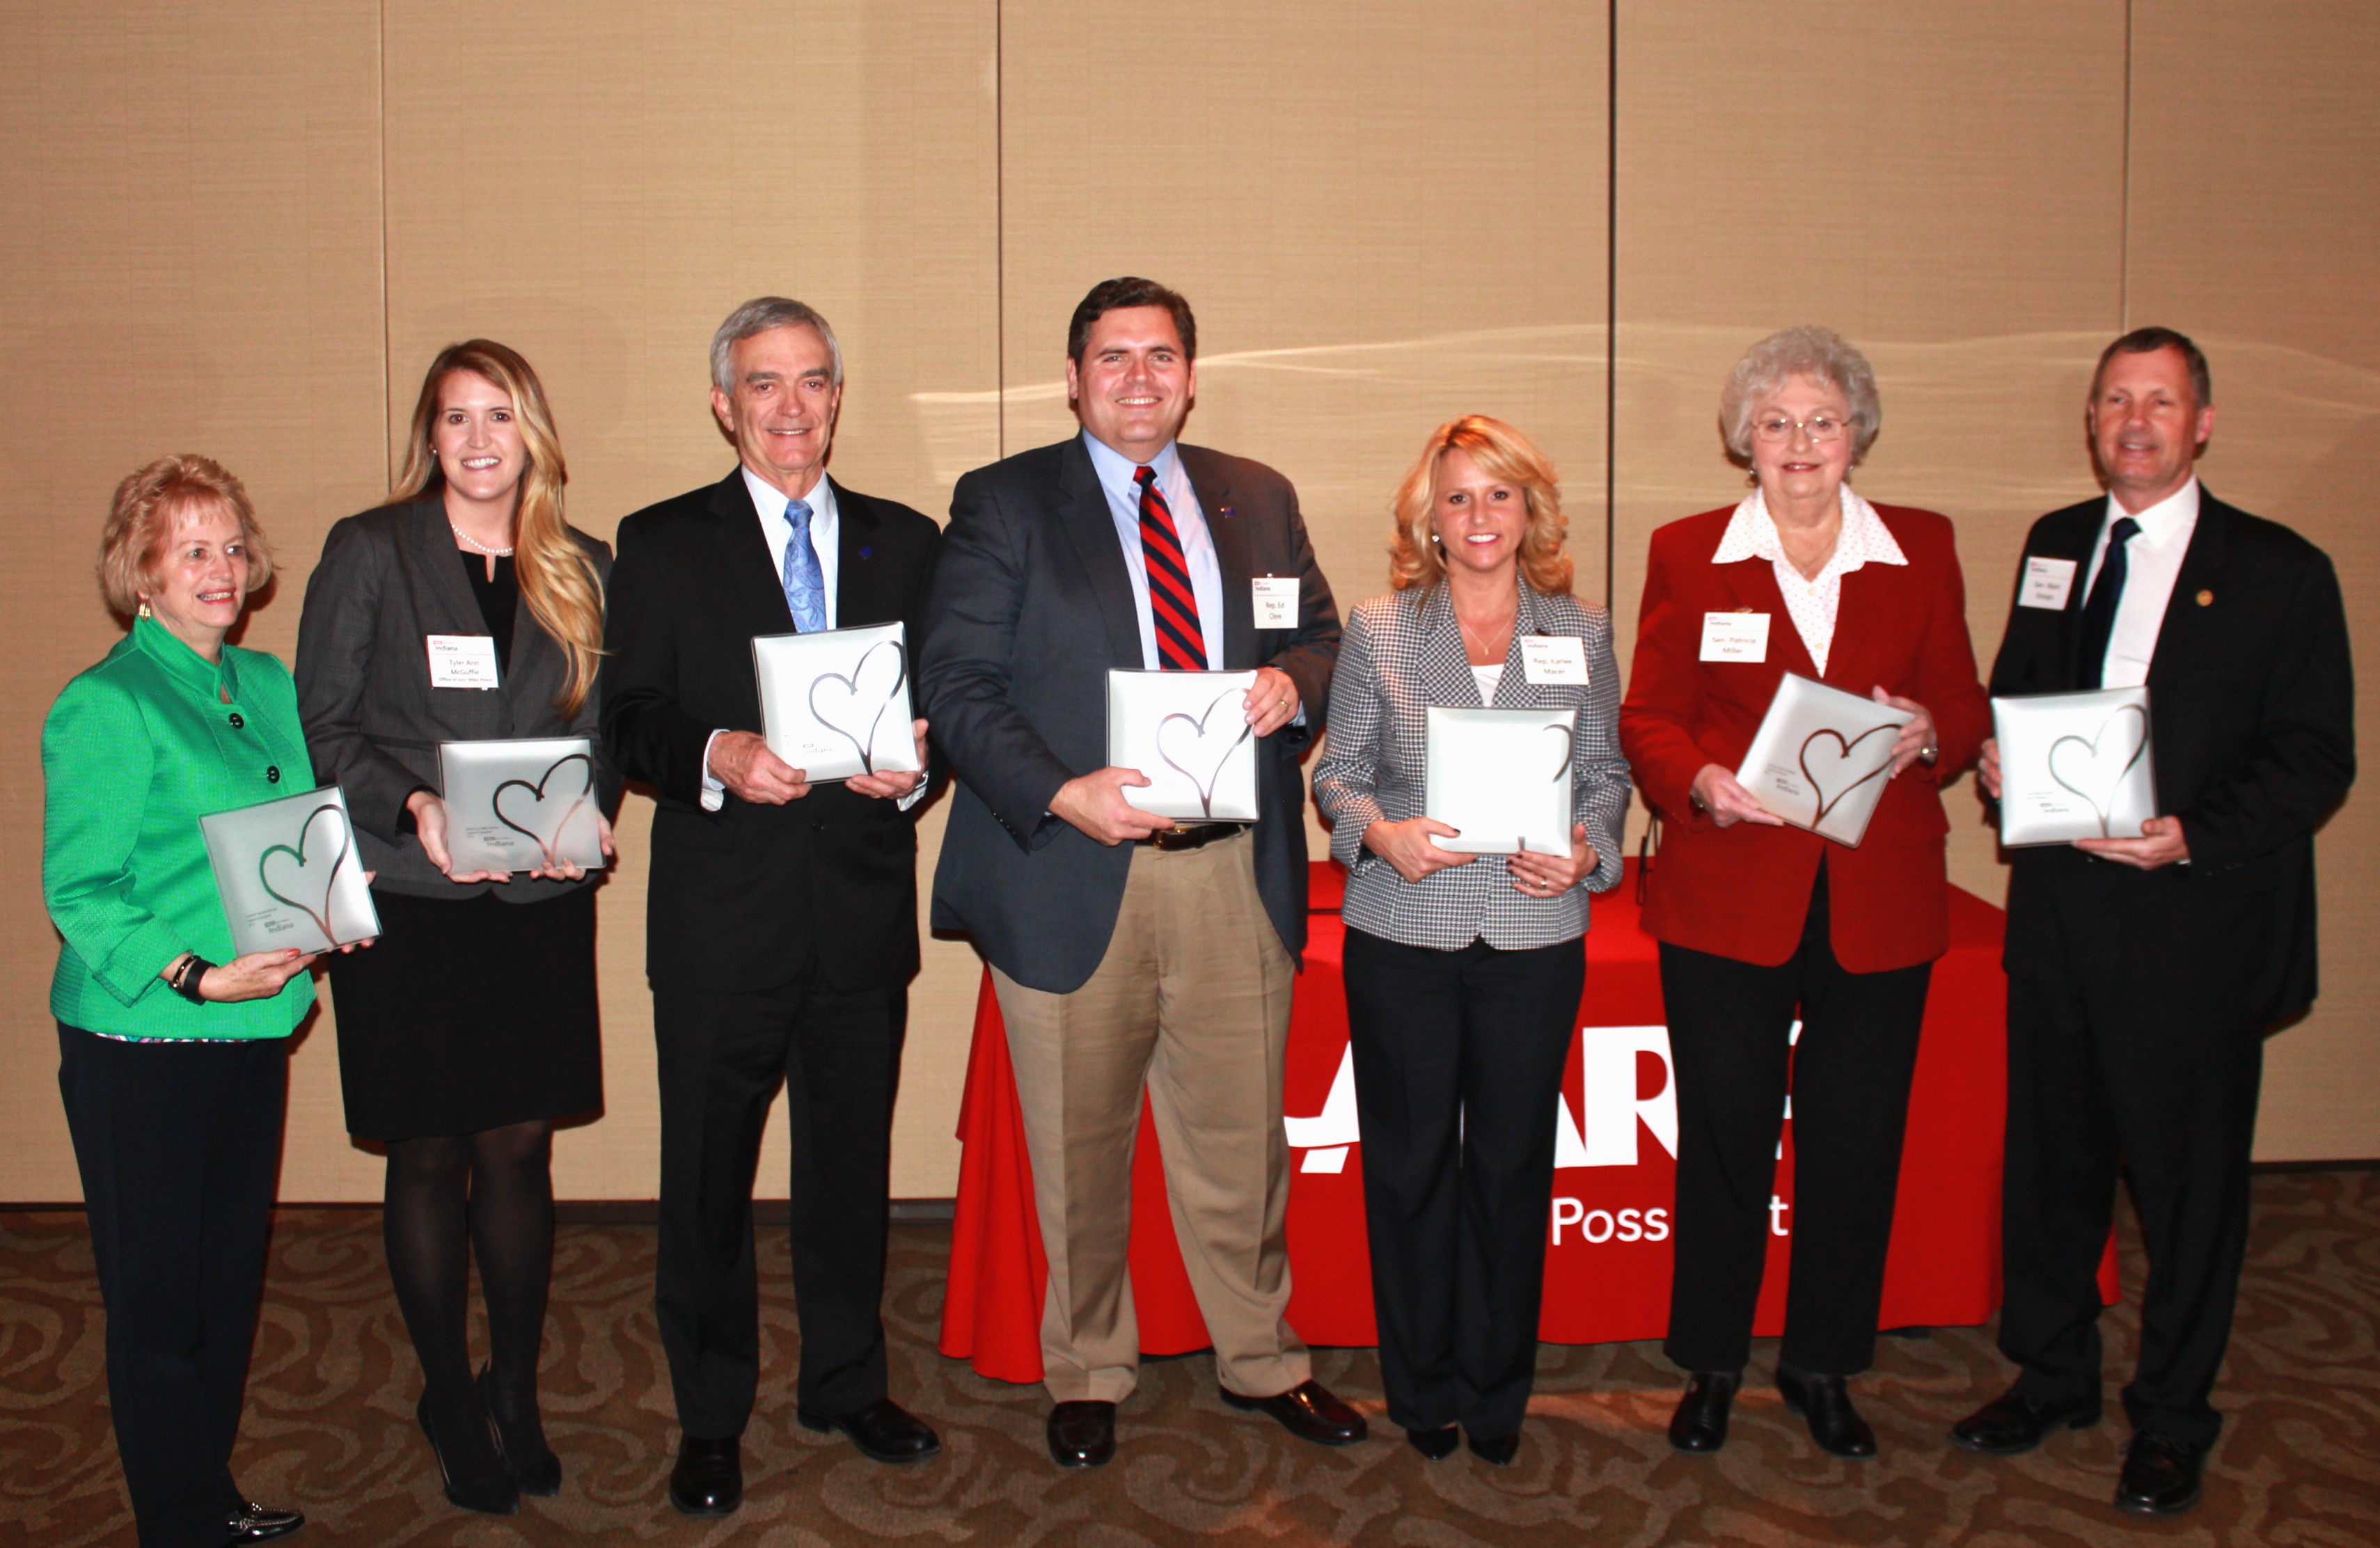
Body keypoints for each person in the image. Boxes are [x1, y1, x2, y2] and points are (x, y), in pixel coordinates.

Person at [922, 276, 1353, 1470]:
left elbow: (1320, 634)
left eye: (1160, 356)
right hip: (1072, 862)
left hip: (1232, 871)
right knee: (1075, 1145)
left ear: (1192, 374)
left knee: (1239, 1145)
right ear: (1073, 378)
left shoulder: (1256, 496)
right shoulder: (1005, 502)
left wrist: (1296, 687)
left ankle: (1263, 1359)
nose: (1139, 378)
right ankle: (1090, 1369)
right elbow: (955, 683)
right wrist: (1064, 789)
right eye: (1113, 358)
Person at [1955, 328, 2354, 1515]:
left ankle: (2174, 1416)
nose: (2135, 421)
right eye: (2115, 400)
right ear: (2092, 421)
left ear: (2204, 423)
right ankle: (2054, 1373)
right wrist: (1996, 757)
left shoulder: (2282, 570)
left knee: (2189, 1189)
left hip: (2196, 925)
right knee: (2055, 1164)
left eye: (2160, 402)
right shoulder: (2055, 546)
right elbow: (2022, 690)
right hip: (2065, 914)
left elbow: (2316, 759)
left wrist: (2189, 831)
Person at [1618, 326, 1989, 1459]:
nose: (1799, 443)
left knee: (1854, 1139)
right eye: (1774, 422)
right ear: (1744, 440)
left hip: (1877, 900)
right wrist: (1704, 785)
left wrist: (1935, 734)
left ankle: (1826, 1362)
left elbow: (1965, 706)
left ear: (1856, 434)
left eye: (1822, 421)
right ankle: (1713, 1366)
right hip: (1731, 891)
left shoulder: (1922, 546)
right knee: (1727, 1139)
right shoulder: (1691, 551)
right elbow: (1649, 718)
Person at [600, 297, 943, 1516]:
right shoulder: (660, 542)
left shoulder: (910, 542)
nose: (791, 407)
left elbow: (936, 717)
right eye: (763, 385)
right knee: (707, 1184)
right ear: (723, 403)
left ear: (839, 397)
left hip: (858, 921)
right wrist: (717, 753)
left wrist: (919, 769)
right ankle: (708, 1416)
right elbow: (628, 719)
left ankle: (846, 1383)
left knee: (848, 1173)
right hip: (718, 928)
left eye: (812, 382)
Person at [295, 340, 617, 1514]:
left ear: (533, 432)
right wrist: (413, 801)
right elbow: (322, 725)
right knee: (428, 1148)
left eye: (501, 417)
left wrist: (583, 820)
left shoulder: (582, 564)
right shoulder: (371, 550)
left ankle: (517, 1392)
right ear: (429, 436)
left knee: (520, 1148)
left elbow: (604, 734)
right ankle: (446, 1392)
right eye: (455, 418)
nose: (479, 440)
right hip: (413, 903)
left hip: (533, 904)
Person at [1309, 416, 1630, 1465]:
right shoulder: (1381, 629)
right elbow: (1335, 772)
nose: (1479, 516)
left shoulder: (1579, 631)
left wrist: (1591, 852)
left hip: (1536, 933)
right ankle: (1422, 1389)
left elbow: (1608, 776)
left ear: (1530, 510)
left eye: (1500, 494)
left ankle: (1496, 1391)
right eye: (1458, 497)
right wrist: (1378, 836)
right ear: (1427, 519)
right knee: (1405, 1171)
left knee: (1509, 1169)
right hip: (1406, 931)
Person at [44, 456, 336, 1547]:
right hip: (142, 1039)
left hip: (253, 1030)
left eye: (231, 546)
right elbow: (82, 888)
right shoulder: (107, 702)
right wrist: (197, 975)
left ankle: (209, 1489)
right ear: (142, 574)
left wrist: (324, 914)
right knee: (158, 1299)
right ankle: (179, 1518)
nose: (220, 569)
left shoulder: (261, 683)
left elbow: (298, 825)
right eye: (190, 550)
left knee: (223, 1283)